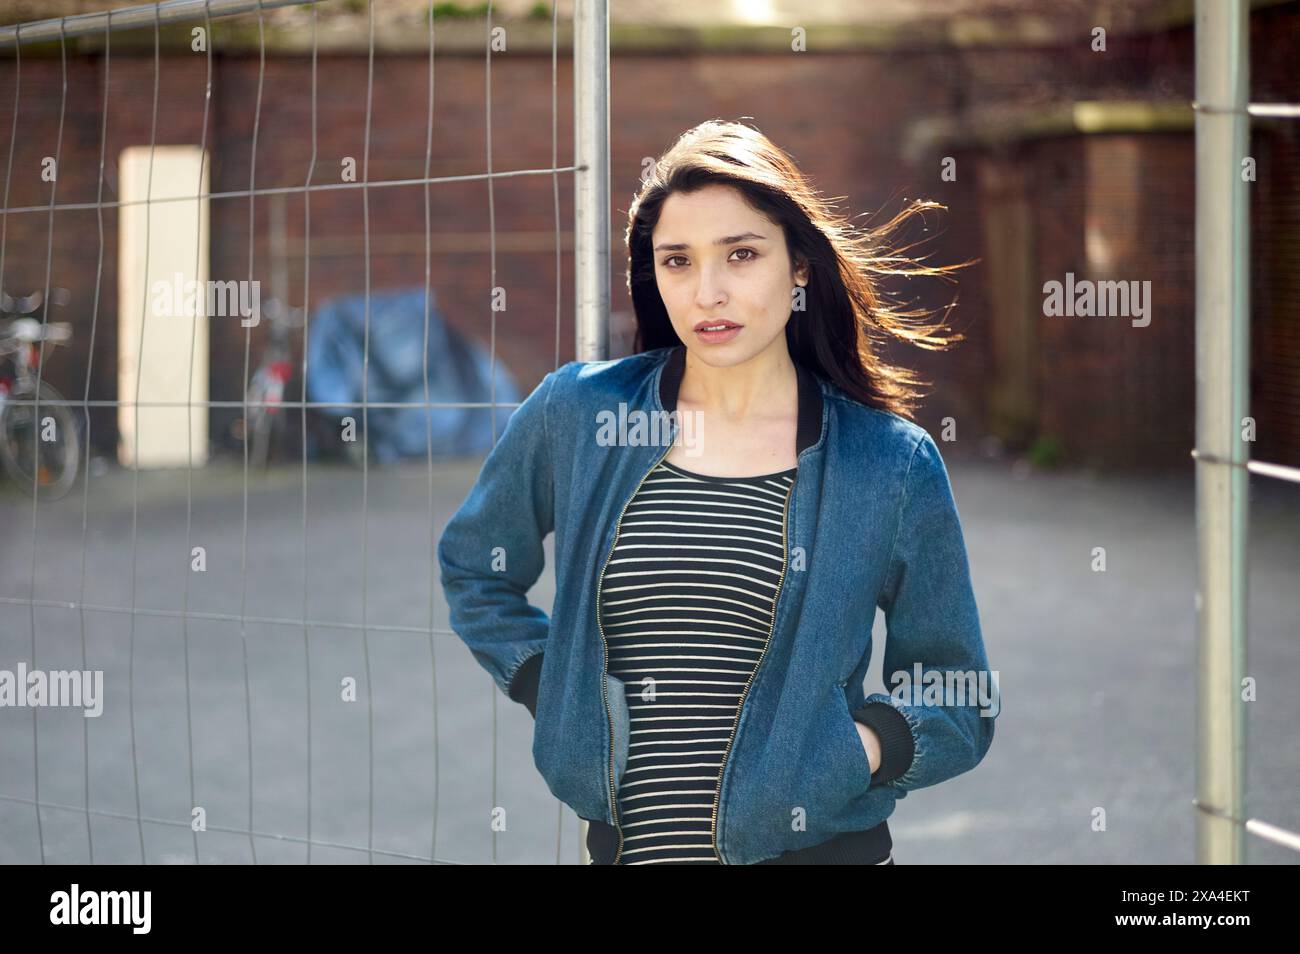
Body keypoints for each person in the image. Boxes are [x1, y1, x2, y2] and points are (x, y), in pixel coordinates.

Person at [438, 119, 997, 865]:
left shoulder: (888, 463)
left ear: (799, 265)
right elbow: (477, 564)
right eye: (678, 261)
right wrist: (555, 688)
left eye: (741, 254)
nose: (708, 291)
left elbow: (956, 691)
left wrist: (855, 749)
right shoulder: (579, 415)